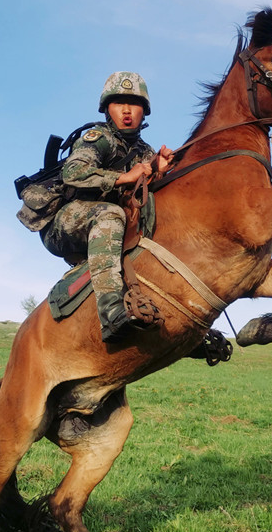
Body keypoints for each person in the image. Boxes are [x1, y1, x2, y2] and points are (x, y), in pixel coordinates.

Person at [40, 72, 175, 343]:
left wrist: (158, 172)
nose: (127, 110)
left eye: (134, 104)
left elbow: (141, 194)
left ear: (144, 112)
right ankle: (111, 312)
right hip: (66, 224)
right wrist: (123, 177)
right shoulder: (97, 137)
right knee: (112, 215)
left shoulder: (142, 149)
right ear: (106, 109)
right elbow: (74, 172)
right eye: (119, 103)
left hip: (106, 223)